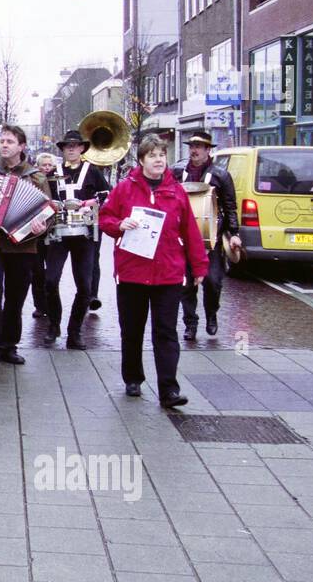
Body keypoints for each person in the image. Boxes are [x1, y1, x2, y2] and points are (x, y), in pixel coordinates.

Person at [99, 135, 208, 409]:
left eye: (162, 155)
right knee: (132, 329)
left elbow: (190, 232)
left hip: (168, 273)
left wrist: (199, 266)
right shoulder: (125, 189)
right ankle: (133, 378)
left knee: (166, 332)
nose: (159, 160)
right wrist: (119, 224)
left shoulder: (177, 191)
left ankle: (169, 390)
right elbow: (105, 218)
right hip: (133, 272)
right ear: (142, 160)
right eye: (153, 156)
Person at [0, 125, 53, 366]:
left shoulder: (35, 177)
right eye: (2, 141)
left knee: (16, 298)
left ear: (21, 146)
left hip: (23, 246)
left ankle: (10, 345)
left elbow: (49, 213)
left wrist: (40, 227)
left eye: (10, 141)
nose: (4, 145)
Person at [42, 130, 111, 350]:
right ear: (62, 149)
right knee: (50, 281)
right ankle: (54, 325)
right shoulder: (53, 172)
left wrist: (86, 203)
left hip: (85, 234)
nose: (71, 149)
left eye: (75, 145)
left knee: (85, 286)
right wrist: (53, 204)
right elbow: (44, 199)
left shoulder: (93, 171)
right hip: (59, 233)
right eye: (66, 146)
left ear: (82, 148)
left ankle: (74, 331)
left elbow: (106, 195)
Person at [171, 131, 240, 339]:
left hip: (211, 240)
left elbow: (230, 207)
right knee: (185, 284)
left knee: (212, 281)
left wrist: (234, 233)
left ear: (208, 150)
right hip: (183, 240)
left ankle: (211, 315)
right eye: (192, 146)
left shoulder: (221, 175)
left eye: (199, 146)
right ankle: (190, 325)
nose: (194, 150)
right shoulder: (177, 173)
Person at [31, 151, 58, 318]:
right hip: (37, 232)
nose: (47, 168)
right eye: (44, 165)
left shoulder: (58, 182)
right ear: (38, 166)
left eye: (49, 165)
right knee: (37, 271)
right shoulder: (34, 181)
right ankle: (40, 305)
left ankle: (52, 304)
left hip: (53, 230)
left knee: (52, 272)